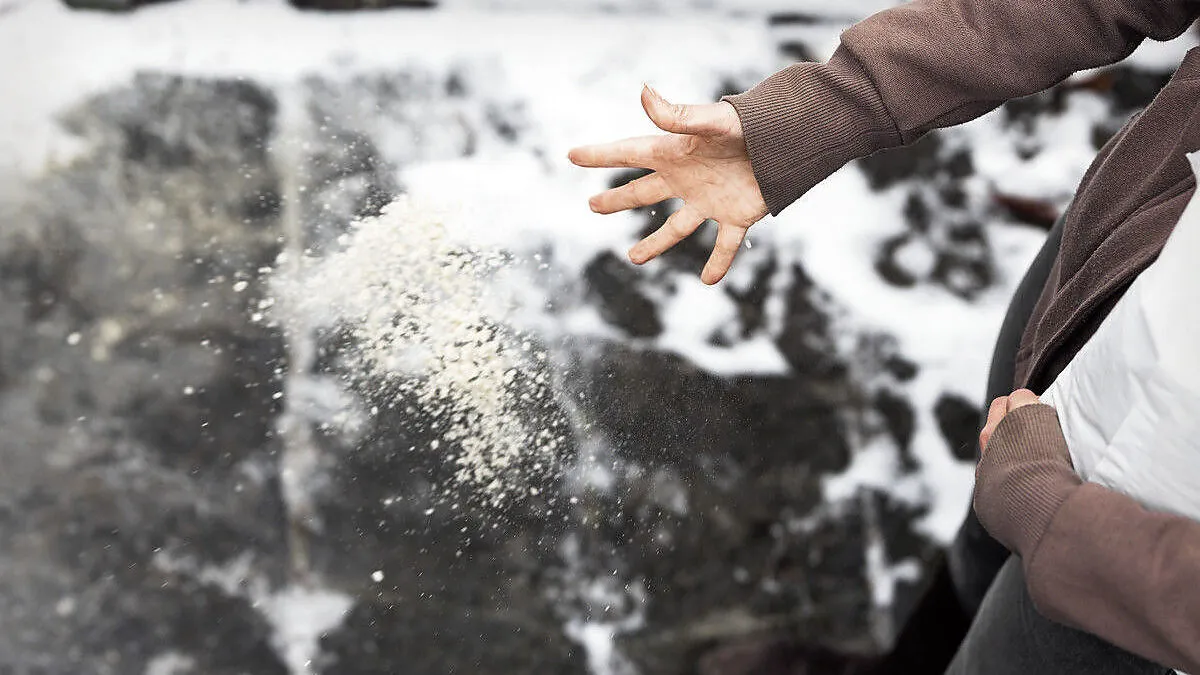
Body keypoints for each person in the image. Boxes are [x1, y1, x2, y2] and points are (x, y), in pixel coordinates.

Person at [567, 0, 1200, 672]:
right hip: (1138, 247)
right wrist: (821, 112)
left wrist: (1048, 515)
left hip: (1145, 561)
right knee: (981, 547)